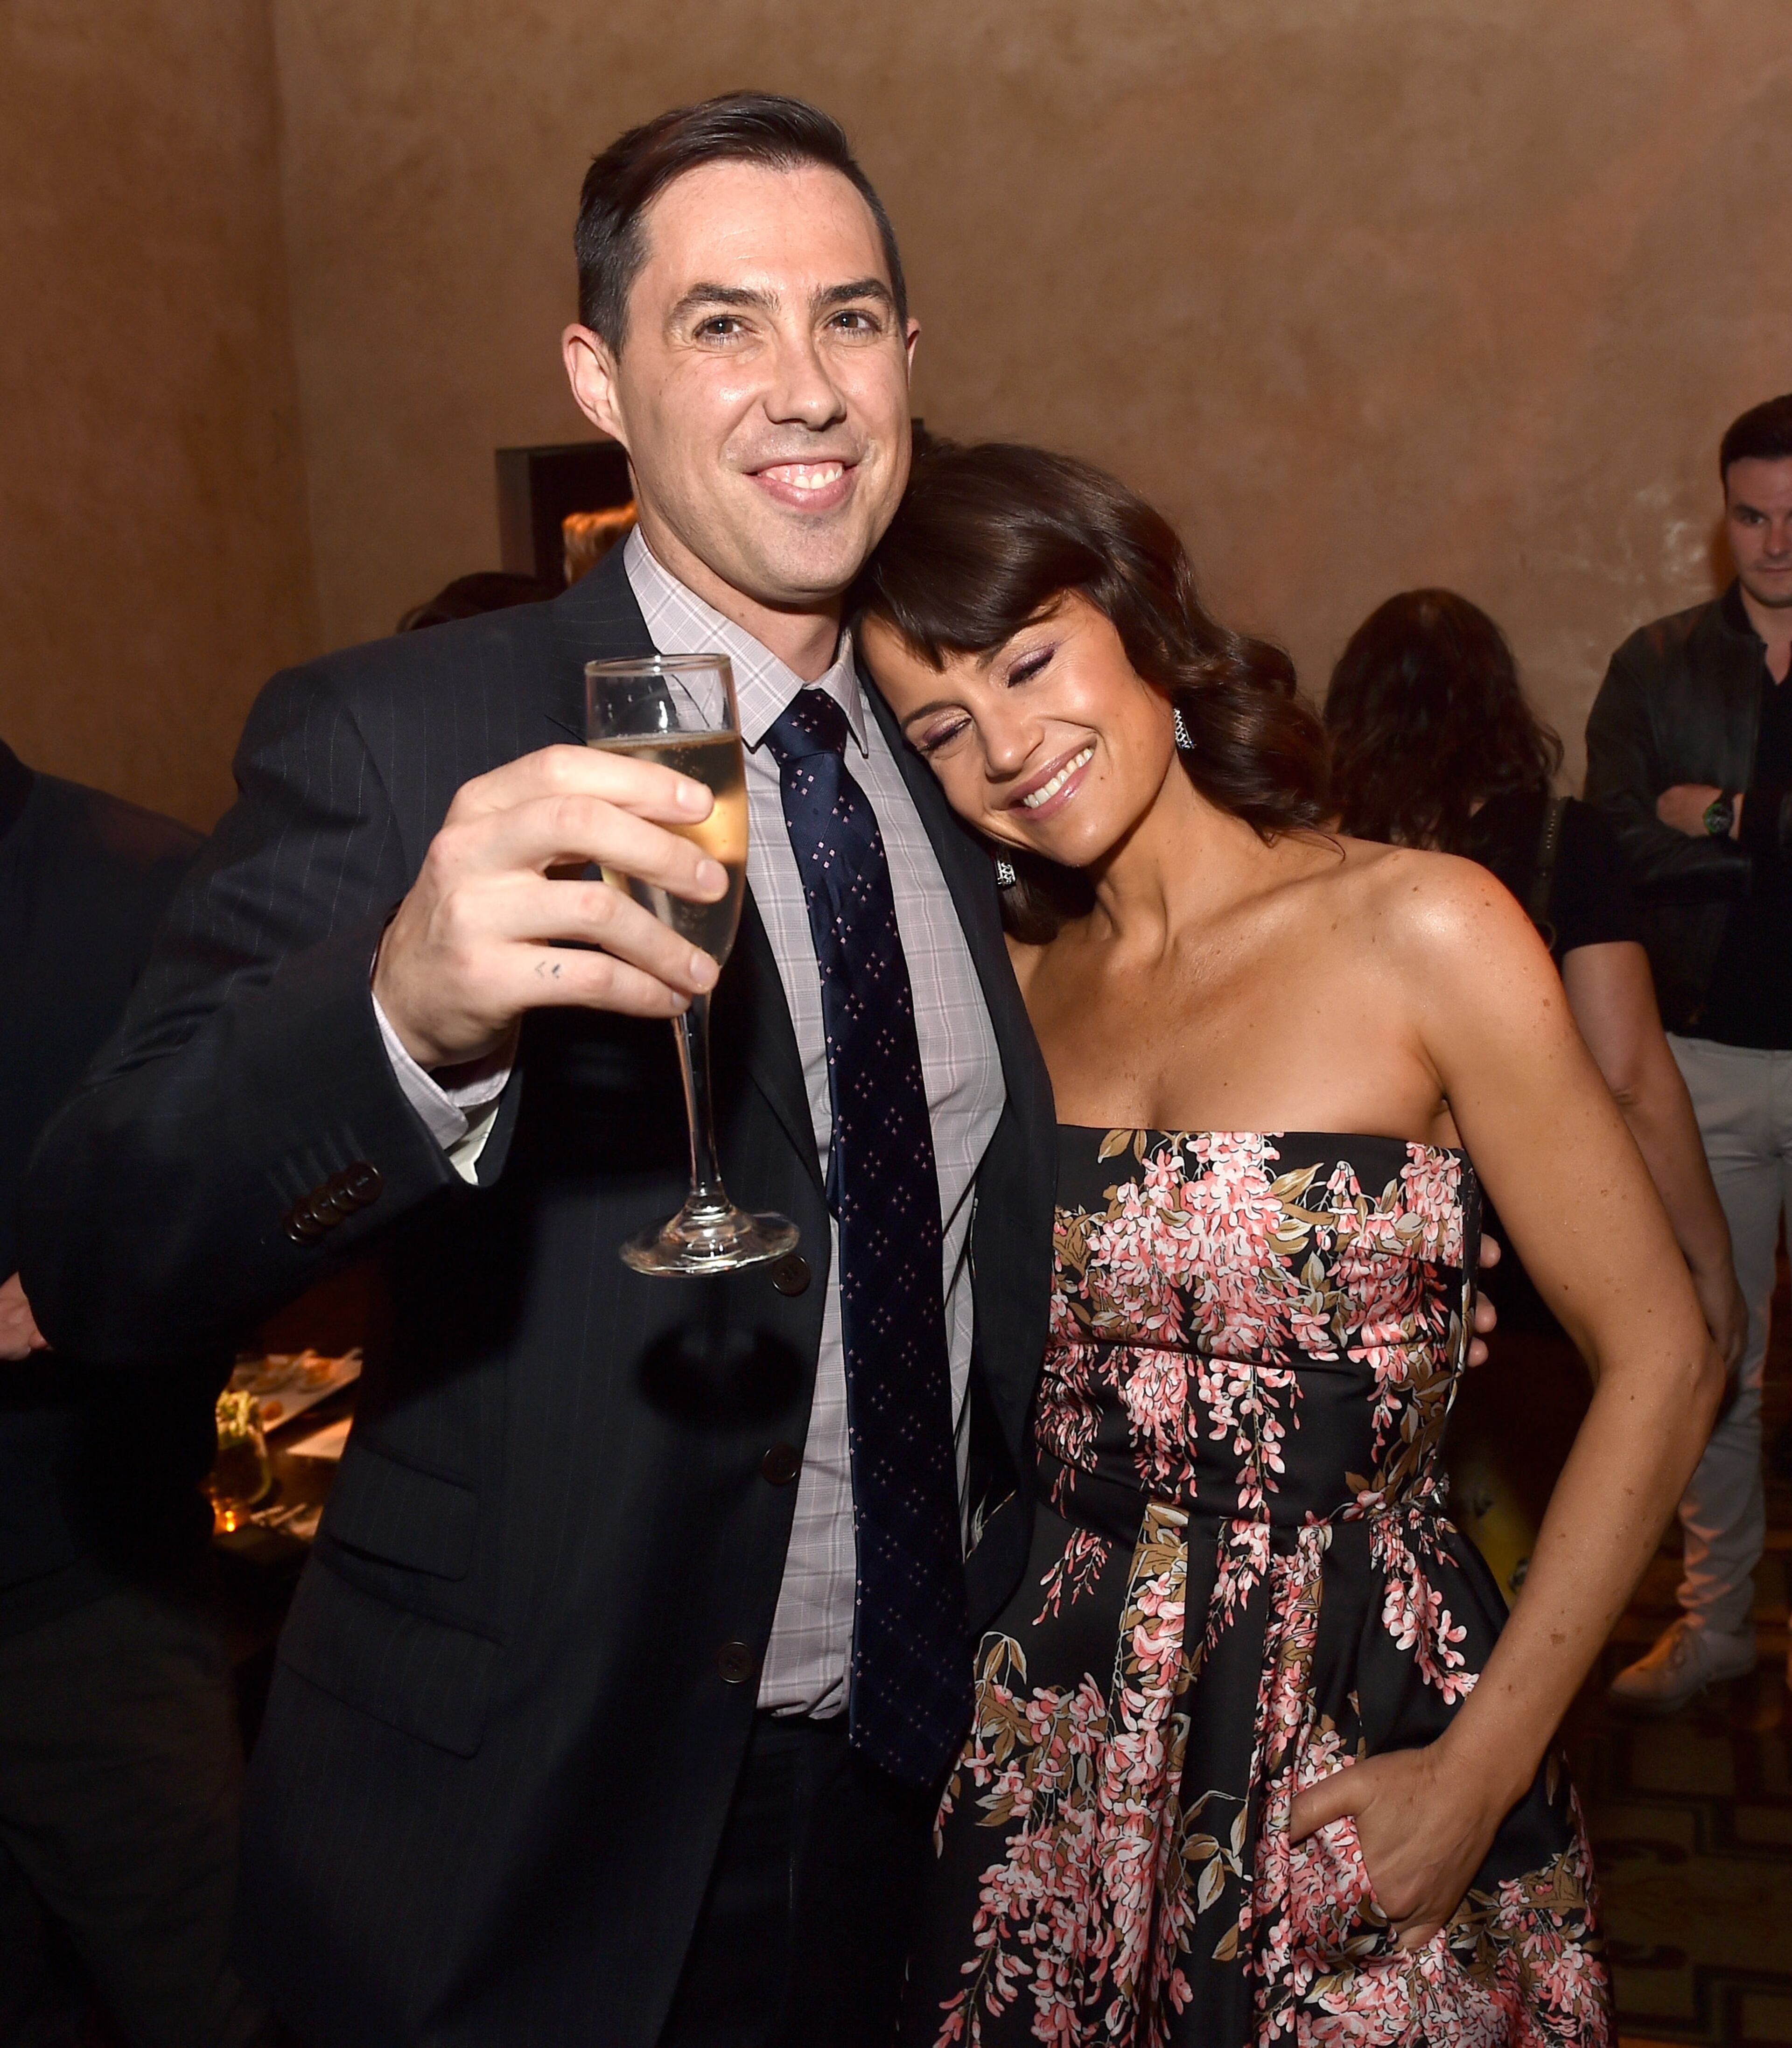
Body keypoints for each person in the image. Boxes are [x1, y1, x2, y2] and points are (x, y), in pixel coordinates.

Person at [19, 95, 1055, 2048]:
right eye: (721, 324)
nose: (802, 387)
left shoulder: (955, 760)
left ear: (909, 364)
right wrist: (397, 1015)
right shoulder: (408, 732)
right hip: (532, 1816)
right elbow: (103, 1241)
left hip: (927, 1774)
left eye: (849, 320)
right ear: (602, 373)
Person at [854, 442, 1721, 2045]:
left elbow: (1667, 1353)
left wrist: (1484, 1771)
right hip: (1056, 1721)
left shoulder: (1426, 928)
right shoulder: (1003, 995)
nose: (1009, 748)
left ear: (1141, 625)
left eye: (1033, 660)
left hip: (1355, 1709)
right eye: (942, 728)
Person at [0, 739, 273, 2046]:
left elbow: (266, 1206)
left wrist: (96, 1276)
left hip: (80, 1587)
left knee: (200, 1997)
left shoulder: (146, 885)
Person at [1325, 590, 1745, 1372]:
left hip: (1361, 1236)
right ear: (1501, 705)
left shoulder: (1311, 854)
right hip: (1530, 1248)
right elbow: (1629, 1079)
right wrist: (1713, 1261)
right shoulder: (1563, 841)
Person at [1584, 391, 1792, 1715]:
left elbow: (1677, 828)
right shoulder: (1657, 663)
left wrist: (1727, 812)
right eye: (1752, 515)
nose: (1776, 542)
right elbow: (1613, 841)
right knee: (1721, 1348)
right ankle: (1716, 1623)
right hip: (1702, 1055)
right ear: (1725, 518)